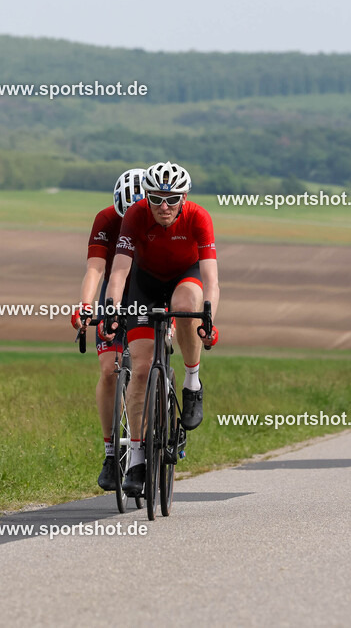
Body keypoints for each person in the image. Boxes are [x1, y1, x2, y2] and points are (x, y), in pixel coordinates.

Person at [103, 161, 220, 496]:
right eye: (156, 199)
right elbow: (119, 272)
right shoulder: (136, 215)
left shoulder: (198, 217)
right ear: (147, 197)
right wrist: (112, 307)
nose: (164, 207)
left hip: (186, 275)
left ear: (183, 197)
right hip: (146, 282)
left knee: (186, 307)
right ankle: (137, 459)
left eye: (171, 199)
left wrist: (209, 317)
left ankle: (192, 382)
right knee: (139, 369)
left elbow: (211, 279)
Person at [71, 168, 144, 490]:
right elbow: (96, 267)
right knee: (109, 370)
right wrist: (86, 305)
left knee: (146, 363)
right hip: (115, 293)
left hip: (150, 290)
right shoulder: (105, 219)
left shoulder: (162, 217)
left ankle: (159, 424)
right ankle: (112, 454)